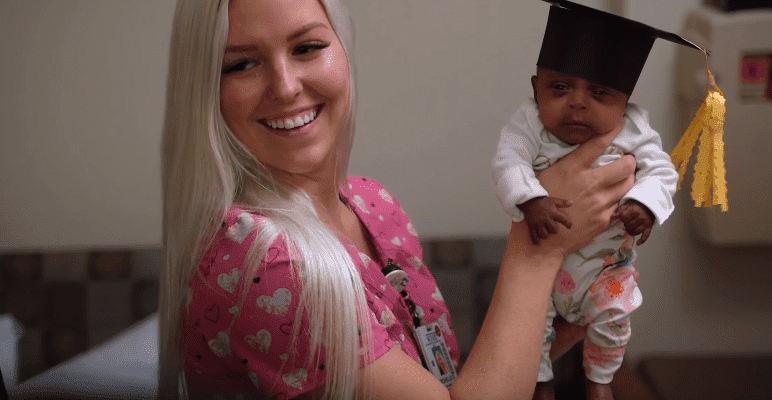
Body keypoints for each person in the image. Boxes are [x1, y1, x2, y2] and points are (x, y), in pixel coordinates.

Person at [158, 0, 636, 399]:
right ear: (207, 89)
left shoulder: (372, 205)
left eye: (307, 47)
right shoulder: (259, 262)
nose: (285, 87)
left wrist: (544, 335)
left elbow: (437, 384)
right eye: (241, 64)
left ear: (344, 51)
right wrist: (539, 245)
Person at [491, 1, 704, 399]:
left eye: (600, 92)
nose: (577, 101)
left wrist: (643, 205)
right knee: (532, 322)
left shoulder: (634, 129)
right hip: (545, 269)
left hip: (609, 269)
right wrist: (532, 198)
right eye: (559, 87)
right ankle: (540, 382)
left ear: (625, 101)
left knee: (615, 317)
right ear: (536, 87)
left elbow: (662, 172)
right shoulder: (528, 123)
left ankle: (599, 382)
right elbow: (508, 162)